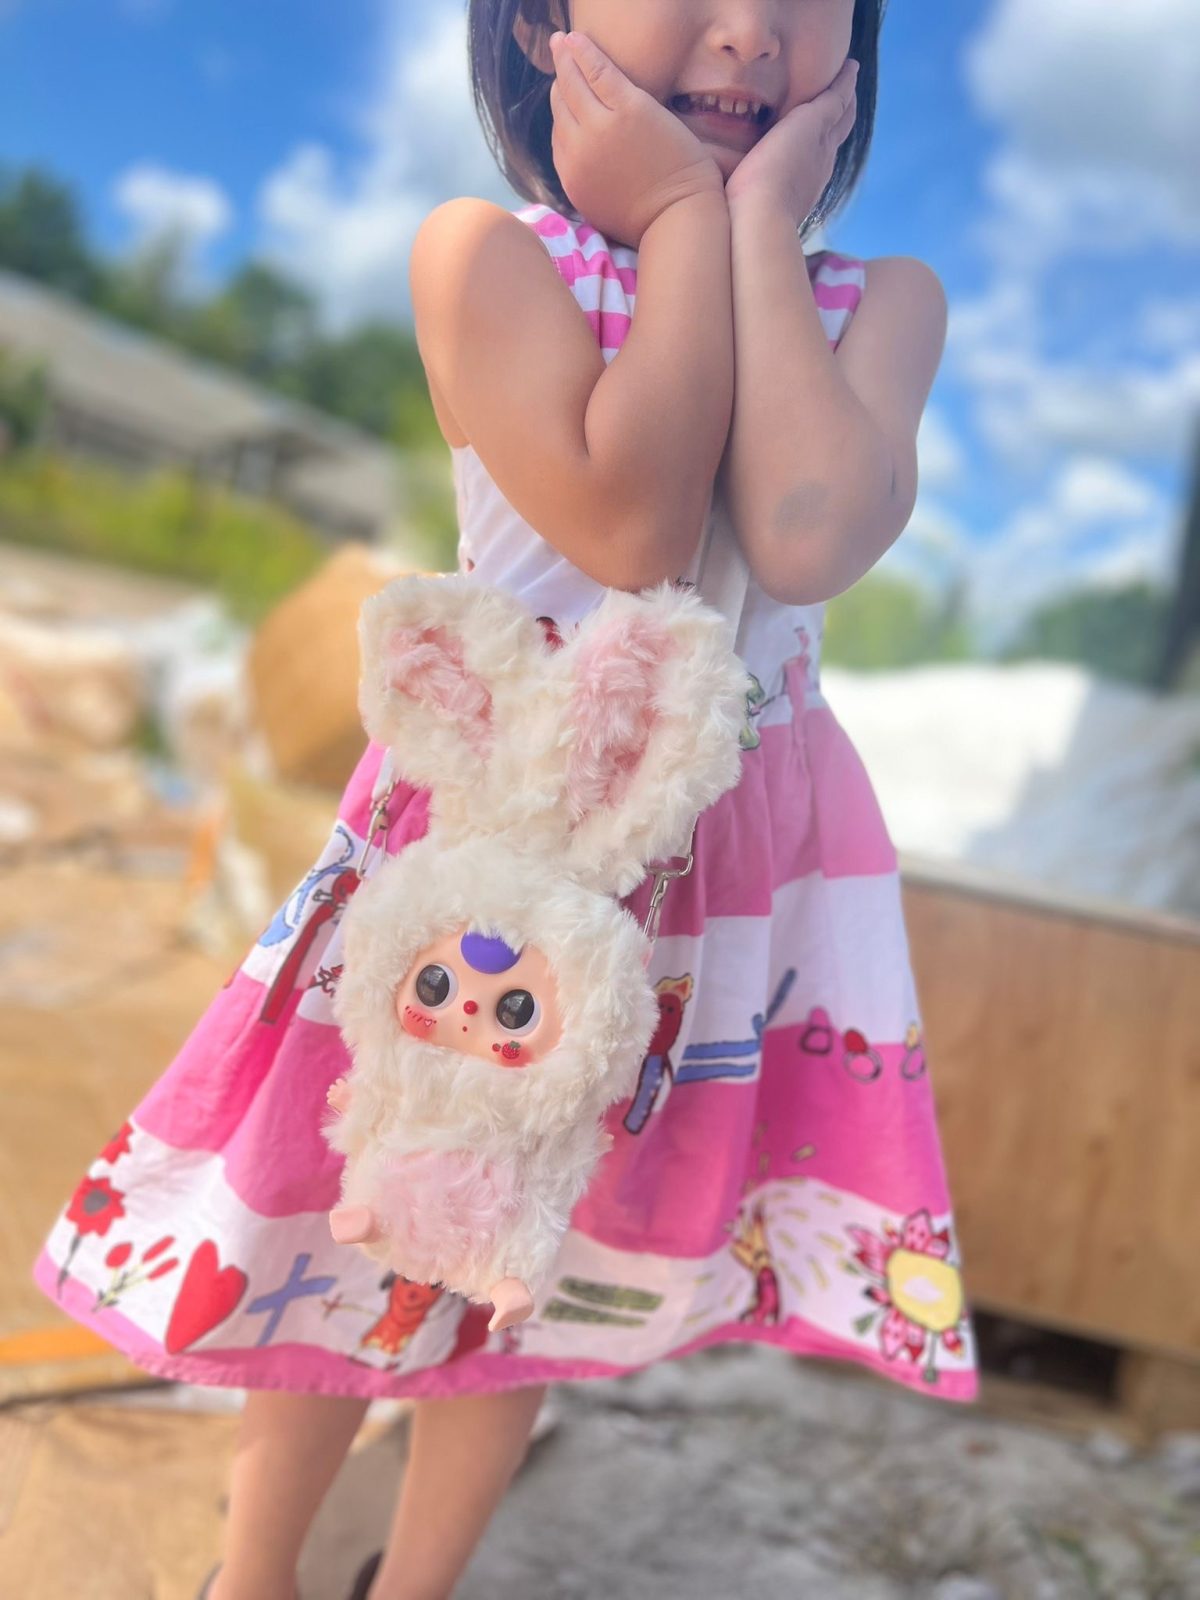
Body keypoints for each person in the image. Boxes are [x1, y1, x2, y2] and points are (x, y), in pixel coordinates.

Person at [33, 3, 980, 1597]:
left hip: (701, 889)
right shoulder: (489, 259)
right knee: (350, 1215)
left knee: (546, 1255)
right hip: (484, 848)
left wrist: (746, 231)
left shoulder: (879, 306)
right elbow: (633, 524)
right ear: (544, 22)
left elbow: (805, 535)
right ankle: (252, 1577)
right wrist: (679, 214)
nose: (750, 30)